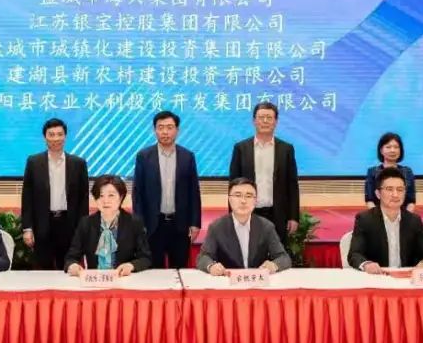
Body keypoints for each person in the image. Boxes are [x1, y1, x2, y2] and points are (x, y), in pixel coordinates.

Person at [133, 111, 202, 269]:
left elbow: (194, 192)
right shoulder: (144, 156)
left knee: (179, 270)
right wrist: (139, 224)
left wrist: (195, 223)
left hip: (180, 225)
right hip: (152, 225)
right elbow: (138, 193)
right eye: (161, 127)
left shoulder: (187, 156)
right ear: (154, 130)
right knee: (153, 272)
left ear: (177, 130)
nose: (165, 132)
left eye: (170, 127)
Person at [21, 118, 89, 269]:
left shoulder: (78, 164)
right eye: (51, 134)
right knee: (42, 270)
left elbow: (83, 200)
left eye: (59, 134)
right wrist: (27, 228)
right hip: (42, 224)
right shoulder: (34, 162)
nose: (56, 139)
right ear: (45, 137)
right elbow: (27, 197)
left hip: (68, 224)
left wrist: (82, 230)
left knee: (69, 268)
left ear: (65, 136)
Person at [228, 101, 300, 243]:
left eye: (269, 117)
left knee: (276, 252)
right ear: (254, 121)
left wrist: (293, 217)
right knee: (249, 252)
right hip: (248, 212)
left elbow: (292, 185)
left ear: (276, 122)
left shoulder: (286, 149)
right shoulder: (241, 148)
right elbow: (233, 185)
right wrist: (232, 214)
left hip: (277, 214)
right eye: (261, 117)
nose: (265, 121)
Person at [348, 167, 423, 273]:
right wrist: (367, 265)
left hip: (406, 279)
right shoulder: (365, 219)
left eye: (400, 189)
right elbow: (354, 254)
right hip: (378, 278)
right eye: (389, 189)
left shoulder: (414, 221)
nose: (395, 194)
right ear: (378, 194)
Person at [196, 177, 291, 275]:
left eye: (249, 196)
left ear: (255, 201)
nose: (243, 201)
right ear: (229, 199)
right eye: (238, 195)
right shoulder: (217, 227)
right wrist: (211, 266)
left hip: (257, 281)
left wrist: (274, 265)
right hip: (227, 280)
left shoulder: (266, 226)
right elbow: (203, 257)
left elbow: (284, 257)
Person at [65, 175, 151, 277]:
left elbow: (145, 258)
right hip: (95, 280)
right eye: (101, 196)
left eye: (111, 195)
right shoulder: (86, 223)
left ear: (121, 197)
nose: (105, 201)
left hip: (123, 279)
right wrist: (72, 265)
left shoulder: (134, 223)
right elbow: (71, 257)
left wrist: (131, 266)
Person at [364, 132, 416, 211]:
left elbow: (411, 201)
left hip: (403, 215)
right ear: (381, 150)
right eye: (388, 147)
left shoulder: (407, 172)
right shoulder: (372, 172)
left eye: (396, 147)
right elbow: (369, 200)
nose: (392, 150)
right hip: (378, 215)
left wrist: (406, 217)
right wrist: (378, 216)